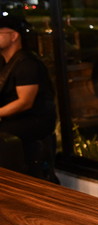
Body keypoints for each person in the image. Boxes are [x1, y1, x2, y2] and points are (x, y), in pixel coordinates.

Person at [0, 14, 57, 178]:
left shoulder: (27, 63)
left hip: (33, 121)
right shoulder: (4, 62)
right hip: (13, 119)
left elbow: (25, 102)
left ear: (14, 36)